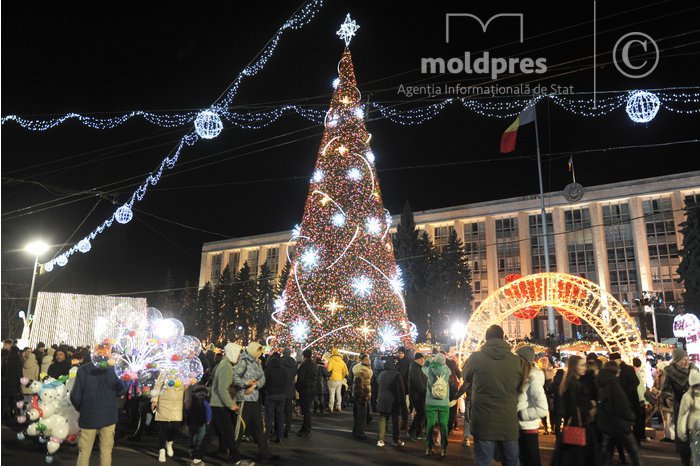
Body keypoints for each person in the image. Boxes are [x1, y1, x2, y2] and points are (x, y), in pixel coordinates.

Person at [464, 325, 522, 466]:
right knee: (512, 460)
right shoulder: (515, 360)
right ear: (503, 337)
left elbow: (465, 375)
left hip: (484, 420)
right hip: (508, 419)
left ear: (486, 338)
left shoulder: (476, 358)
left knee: (484, 461)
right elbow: (519, 383)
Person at [70, 346, 127, 466]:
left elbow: (75, 396)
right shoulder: (114, 370)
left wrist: (81, 408)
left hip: (88, 414)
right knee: (106, 451)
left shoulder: (83, 369)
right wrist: (129, 380)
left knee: (84, 451)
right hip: (109, 415)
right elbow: (120, 391)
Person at [233, 342, 276, 461]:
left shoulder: (257, 363)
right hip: (244, 400)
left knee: (258, 427)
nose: (259, 353)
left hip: (254, 399)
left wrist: (255, 386)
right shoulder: (243, 362)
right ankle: (233, 452)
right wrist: (246, 384)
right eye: (257, 350)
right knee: (240, 427)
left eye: (260, 351)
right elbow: (235, 377)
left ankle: (265, 453)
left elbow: (262, 378)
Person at [551, 355, 598, 466]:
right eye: (581, 365)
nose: (584, 368)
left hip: (575, 423)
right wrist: (590, 405)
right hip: (579, 424)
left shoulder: (571, 382)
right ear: (574, 367)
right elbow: (574, 406)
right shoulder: (573, 383)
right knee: (578, 457)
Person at [596, 360, 642, 466]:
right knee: (634, 451)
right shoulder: (613, 382)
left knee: (607, 452)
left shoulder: (600, 381)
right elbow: (622, 402)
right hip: (619, 422)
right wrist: (631, 417)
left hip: (606, 422)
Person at [210, 342, 243, 464]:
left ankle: (197, 456)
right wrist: (231, 404)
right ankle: (236, 458)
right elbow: (222, 388)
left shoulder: (225, 365)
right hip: (221, 404)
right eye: (238, 353)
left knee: (213, 432)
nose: (239, 356)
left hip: (220, 403)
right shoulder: (226, 366)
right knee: (228, 432)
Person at [661, 348, 695, 466]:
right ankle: (686, 461)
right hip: (681, 407)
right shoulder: (670, 372)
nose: (685, 362)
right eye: (682, 360)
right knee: (683, 438)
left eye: (686, 359)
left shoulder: (693, 369)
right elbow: (666, 389)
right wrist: (667, 398)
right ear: (675, 361)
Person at [515, 346, 548, 466]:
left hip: (528, 429)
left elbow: (543, 408)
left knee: (530, 461)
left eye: (517, 358)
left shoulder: (532, 379)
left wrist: (522, 414)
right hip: (517, 428)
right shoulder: (518, 377)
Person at [151, 371, 186, 462]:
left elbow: (187, 387)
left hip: (177, 405)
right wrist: (154, 400)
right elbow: (158, 385)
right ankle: (161, 450)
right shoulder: (165, 371)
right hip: (164, 403)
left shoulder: (184, 371)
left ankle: (169, 442)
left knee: (175, 427)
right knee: (164, 428)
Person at [423, 352, 451, 457]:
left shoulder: (430, 370)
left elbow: (424, 366)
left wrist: (430, 360)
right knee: (444, 425)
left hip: (431, 402)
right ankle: (444, 449)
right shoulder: (447, 371)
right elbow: (445, 365)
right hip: (444, 402)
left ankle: (428, 447)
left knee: (430, 424)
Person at [609, 353, 641, 443]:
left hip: (630, 399)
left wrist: (625, 392)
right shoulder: (615, 369)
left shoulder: (627, 368)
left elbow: (635, 382)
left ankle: (635, 441)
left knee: (633, 420)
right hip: (624, 399)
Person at [376, 358, 406, 448]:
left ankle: (380, 439)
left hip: (382, 399)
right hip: (393, 401)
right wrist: (402, 402)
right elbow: (401, 390)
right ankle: (396, 440)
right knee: (395, 420)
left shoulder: (381, 374)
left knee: (383, 419)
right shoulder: (396, 375)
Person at [677, 368, 700, 465]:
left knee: (696, 456)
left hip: (694, 429)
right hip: (695, 429)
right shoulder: (688, 396)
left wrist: (681, 433)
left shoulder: (687, 396)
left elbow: (683, 416)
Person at [185, 383, 210, 466]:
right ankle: (192, 451)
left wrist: (208, 419)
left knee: (200, 437)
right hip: (194, 421)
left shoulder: (205, 401)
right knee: (194, 436)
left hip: (201, 422)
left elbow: (208, 411)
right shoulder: (192, 401)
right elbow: (188, 411)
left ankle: (196, 452)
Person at [263, 354, 287, 443]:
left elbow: (264, 382)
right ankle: (279, 436)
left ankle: (267, 436)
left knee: (269, 417)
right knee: (280, 416)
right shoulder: (283, 370)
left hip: (270, 395)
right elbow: (286, 382)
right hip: (281, 395)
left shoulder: (268, 370)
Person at [295, 348, 318, 437]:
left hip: (305, 390)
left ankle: (307, 430)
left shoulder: (304, 365)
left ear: (303, 356)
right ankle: (304, 428)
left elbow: (301, 378)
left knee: (306, 411)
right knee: (306, 410)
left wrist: (298, 388)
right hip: (311, 389)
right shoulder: (313, 365)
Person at [352, 353, 372, 439]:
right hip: (362, 393)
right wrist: (364, 395)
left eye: (369, 359)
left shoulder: (357, 368)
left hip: (358, 393)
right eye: (366, 359)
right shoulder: (363, 370)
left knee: (358, 413)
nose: (368, 361)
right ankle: (360, 432)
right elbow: (362, 383)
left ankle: (356, 430)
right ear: (362, 360)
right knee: (362, 414)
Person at [407, 352, 427, 442]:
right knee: (421, 413)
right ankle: (412, 431)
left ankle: (416, 431)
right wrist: (425, 391)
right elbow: (418, 384)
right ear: (418, 359)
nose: (424, 361)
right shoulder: (415, 368)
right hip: (417, 395)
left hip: (419, 395)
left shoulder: (417, 367)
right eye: (423, 359)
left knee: (421, 413)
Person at [280, 348, 297, 438]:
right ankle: (288, 429)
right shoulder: (293, 363)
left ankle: (279, 429)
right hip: (290, 388)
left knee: (280, 410)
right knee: (288, 411)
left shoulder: (280, 361)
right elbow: (295, 373)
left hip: (281, 388)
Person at [1, 345, 22, 418]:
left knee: (6, 398)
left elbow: (2, 371)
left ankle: (4, 413)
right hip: (15, 382)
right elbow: (19, 372)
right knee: (14, 398)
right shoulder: (17, 359)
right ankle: (15, 413)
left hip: (6, 382)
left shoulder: (6, 359)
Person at [326, 348, 348, 413]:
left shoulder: (331, 360)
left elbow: (328, 369)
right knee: (338, 394)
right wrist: (342, 377)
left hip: (332, 379)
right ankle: (339, 407)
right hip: (339, 379)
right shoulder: (342, 361)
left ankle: (331, 407)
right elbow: (345, 371)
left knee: (332, 394)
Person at [538, 357, 556, 435]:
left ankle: (552, 428)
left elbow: (554, 383)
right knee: (543, 412)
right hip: (542, 393)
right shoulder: (538, 372)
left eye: (545, 362)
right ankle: (545, 428)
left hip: (550, 394)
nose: (544, 364)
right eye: (543, 362)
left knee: (551, 411)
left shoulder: (552, 371)